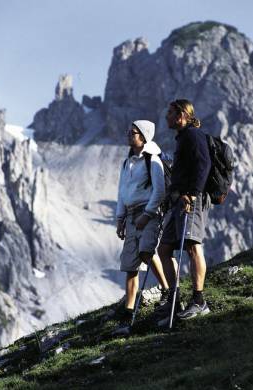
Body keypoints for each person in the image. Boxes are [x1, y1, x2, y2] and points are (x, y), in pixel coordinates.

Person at [156, 99, 212, 320]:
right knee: (164, 249)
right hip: (179, 200)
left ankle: (199, 301)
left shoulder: (193, 135)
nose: (166, 117)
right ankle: (174, 299)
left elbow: (204, 164)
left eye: (170, 113)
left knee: (192, 246)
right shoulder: (183, 138)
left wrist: (193, 193)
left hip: (191, 199)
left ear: (181, 115)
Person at [115, 120, 169, 331]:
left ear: (144, 136)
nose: (129, 135)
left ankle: (166, 290)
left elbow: (159, 190)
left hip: (148, 213)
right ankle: (129, 312)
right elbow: (122, 191)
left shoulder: (152, 160)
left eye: (133, 132)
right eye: (129, 131)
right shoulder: (127, 162)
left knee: (146, 251)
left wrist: (148, 214)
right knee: (130, 266)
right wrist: (120, 219)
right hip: (130, 216)